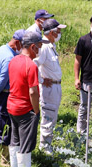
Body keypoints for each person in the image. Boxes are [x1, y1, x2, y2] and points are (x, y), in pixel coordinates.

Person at [7, 32, 49, 167]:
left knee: (15, 140)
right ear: (32, 46)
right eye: (39, 46)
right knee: (26, 144)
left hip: (11, 106)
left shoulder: (13, 60)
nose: (40, 49)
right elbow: (33, 91)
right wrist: (36, 111)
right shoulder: (31, 65)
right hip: (25, 109)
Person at [0, 29, 25, 166]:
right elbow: (4, 77)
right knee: (5, 125)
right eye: (23, 45)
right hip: (4, 94)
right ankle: (3, 160)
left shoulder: (1, 49)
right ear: (17, 42)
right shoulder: (10, 57)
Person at [33, 19, 67, 155]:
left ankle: (47, 145)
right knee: (48, 116)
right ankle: (45, 149)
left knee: (52, 116)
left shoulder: (51, 46)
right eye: (58, 31)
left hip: (55, 87)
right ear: (52, 32)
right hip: (49, 88)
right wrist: (41, 79)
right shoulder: (44, 47)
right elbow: (34, 64)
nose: (60, 33)